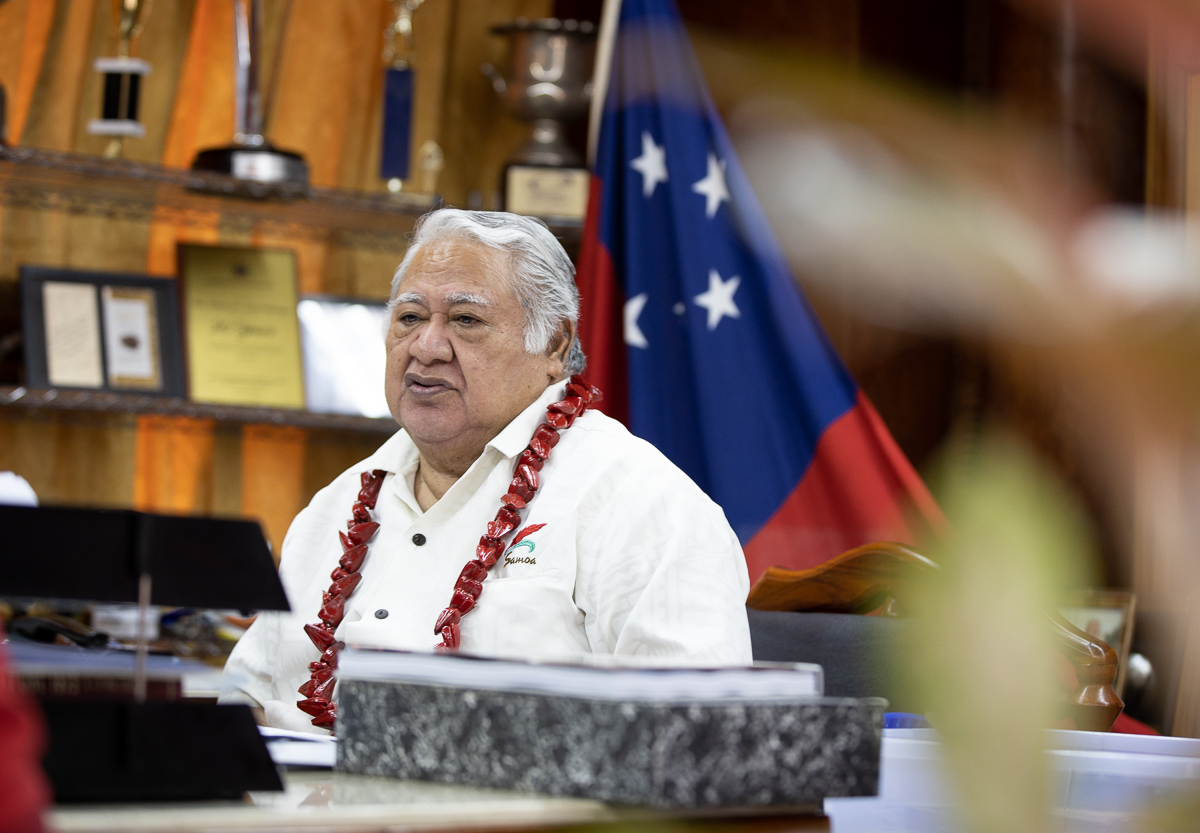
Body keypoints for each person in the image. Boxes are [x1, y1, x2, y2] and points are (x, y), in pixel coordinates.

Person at [220, 209, 752, 733]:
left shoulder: (642, 503)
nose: (425, 347)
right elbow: (244, 697)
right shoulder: (333, 508)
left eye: (465, 321)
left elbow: (698, 736)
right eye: (409, 318)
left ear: (555, 345)